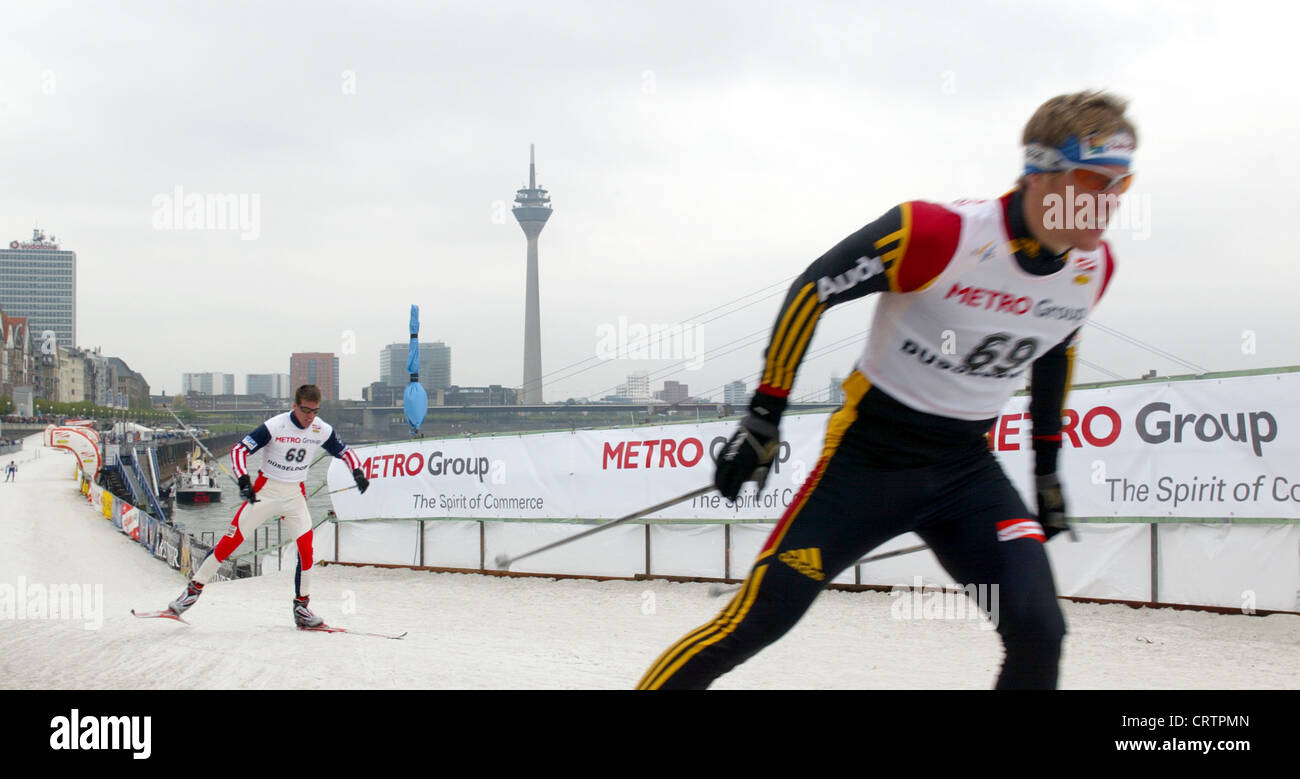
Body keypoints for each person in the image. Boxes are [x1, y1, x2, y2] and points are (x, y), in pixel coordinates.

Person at [637, 90, 1136, 690]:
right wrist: (763, 419)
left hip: (965, 475)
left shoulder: (1093, 269)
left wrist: (1048, 472)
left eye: (1121, 186)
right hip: (866, 465)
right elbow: (812, 289)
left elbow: (1058, 347)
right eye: (1093, 181)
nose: (1108, 203)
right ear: (1039, 173)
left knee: (1040, 632)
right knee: (755, 622)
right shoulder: (937, 233)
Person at [167, 385, 370, 627]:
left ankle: (302, 609)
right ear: (295, 406)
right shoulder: (276, 425)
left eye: (315, 411)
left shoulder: (320, 428)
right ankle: (191, 592)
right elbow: (239, 450)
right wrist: (244, 479)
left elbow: (345, 451)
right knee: (229, 543)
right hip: (265, 492)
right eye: (305, 410)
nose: (310, 417)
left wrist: (357, 472)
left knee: (307, 552)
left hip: (294, 495)